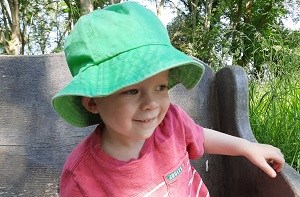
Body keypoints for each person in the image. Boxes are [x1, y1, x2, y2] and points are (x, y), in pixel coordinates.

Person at [52, 2, 284, 196]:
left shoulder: (170, 122)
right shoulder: (82, 176)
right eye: (132, 91)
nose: (151, 103)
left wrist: (247, 147)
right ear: (93, 101)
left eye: (160, 87)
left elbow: (199, 136)